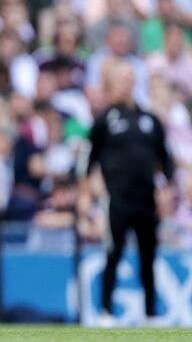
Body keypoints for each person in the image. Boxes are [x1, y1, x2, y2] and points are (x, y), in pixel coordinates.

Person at [85, 59, 174, 327]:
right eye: (119, 79)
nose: (125, 84)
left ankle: (150, 314)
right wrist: (91, 189)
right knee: (114, 254)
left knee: (149, 257)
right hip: (117, 200)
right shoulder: (105, 119)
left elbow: (165, 158)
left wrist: (166, 188)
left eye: (128, 79)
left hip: (146, 200)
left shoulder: (149, 119)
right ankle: (106, 312)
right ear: (111, 84)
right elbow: (90, 160)